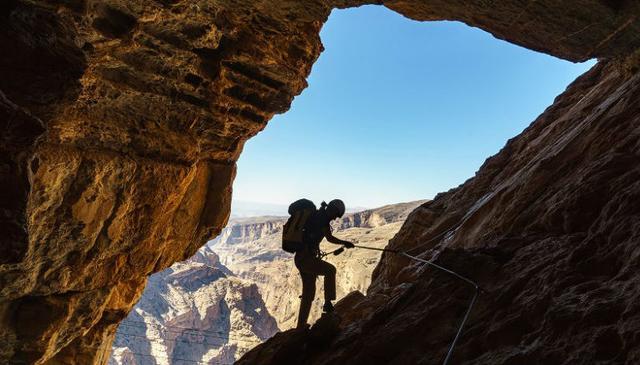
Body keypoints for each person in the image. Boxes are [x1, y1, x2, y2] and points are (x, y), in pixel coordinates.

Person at [295, 199, 355, 329]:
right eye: (336, 215)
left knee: (309, 293)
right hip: (306, 259)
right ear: (333, 209)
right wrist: (345, 243)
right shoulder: (322, 219)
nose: (335, 218)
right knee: (330, 270)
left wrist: (344, 243)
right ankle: (328, 303)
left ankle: (300, 326)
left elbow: (327, 237)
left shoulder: (318, 215)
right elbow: (330, 238)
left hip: (302, 258)